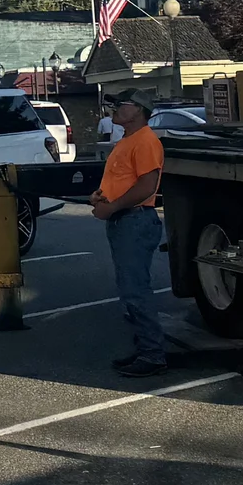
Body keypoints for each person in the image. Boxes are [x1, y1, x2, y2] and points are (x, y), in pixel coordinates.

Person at [91, 94, 168, 375]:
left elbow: (147, 186)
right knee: (130, 289)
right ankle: (145, 349)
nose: (114, 109)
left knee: (135, 290)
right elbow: (124, 181)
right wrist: (100, 197)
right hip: (126, 220)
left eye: (121, 105)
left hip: (134, 220)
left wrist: (111, 208)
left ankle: (152, 355)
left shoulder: (146, 141)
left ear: (138, 110)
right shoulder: (127, 141)